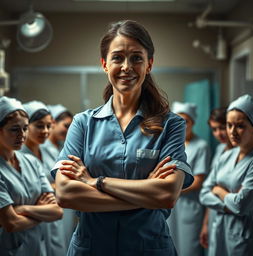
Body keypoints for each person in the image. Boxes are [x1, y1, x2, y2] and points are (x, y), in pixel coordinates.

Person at [51, 20, 194, 256]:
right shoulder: (83, 124)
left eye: (136, 58)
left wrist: (96, 182)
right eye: (118, 58)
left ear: (149, 64)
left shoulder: (171, 125)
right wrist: (146, 197)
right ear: (104, 64)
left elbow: (167, 195)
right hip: (92, 248)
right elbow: (65, 194)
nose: (127, 66)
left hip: (148, 248)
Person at [0, 96, 63, 256]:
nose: (22, 134)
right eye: (14, 129)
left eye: (25, 128)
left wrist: (23, 209)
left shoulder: (31, 162)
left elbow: (57, 211)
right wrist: (42, 211)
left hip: (37, 248)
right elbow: (11, 223)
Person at [200, 94, 253, 255]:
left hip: (243, 234)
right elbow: (204, 194)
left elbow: (241, 206)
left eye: (240, 126)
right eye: (229, 125)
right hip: (219, 229)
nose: (232, 132)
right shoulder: (226, 156)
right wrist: (229, 202)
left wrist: (218, 191)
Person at [20, 100, 67, 256]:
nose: (45, 131)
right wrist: (54, 187)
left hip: (52, 218)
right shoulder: (18, 156)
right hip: (31, 222)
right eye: (39, 126)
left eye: (48, 126)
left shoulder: (49, 152)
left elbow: (66, 182)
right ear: (26, 126)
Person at [167, 101, 210, 256]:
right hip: (170, 206)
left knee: (188, 250)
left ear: (193, 122)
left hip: (190, 206)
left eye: (186, 121)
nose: (182, 125)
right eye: (178, 120)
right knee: (169, 246)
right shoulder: (171, 144)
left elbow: (198, 181)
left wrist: (171, 189)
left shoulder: (201, 146)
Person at [41, 104, 76, 246]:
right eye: (65, 125)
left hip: (66, 205)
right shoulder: (40, 148)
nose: (68, 131)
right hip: (48, 204)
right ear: (53, 123)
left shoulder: (65, 148)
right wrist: (57, 185)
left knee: (65, 240)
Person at [199, 107, 233, 249]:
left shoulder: (244, 153)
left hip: (232, 214)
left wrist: (217, 190)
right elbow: (209, 188)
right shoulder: (219, 149)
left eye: (222, 127)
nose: (219, 133)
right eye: (214, 129)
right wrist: (205, 224)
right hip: (214, 211)